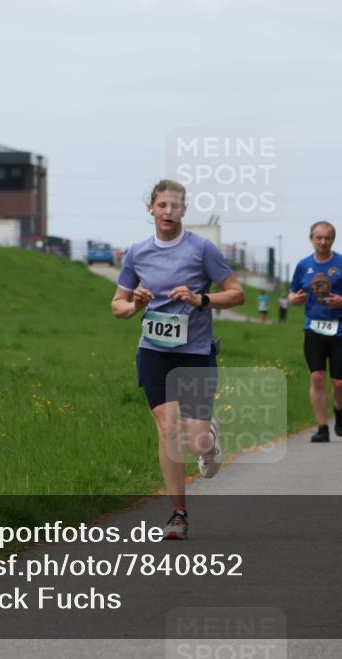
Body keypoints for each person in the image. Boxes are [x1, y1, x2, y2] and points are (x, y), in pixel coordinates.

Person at [111, 179, 245, 540]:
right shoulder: (137, 253)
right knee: (168, 426)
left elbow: (236, 294)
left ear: (184, 210)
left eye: (175, 206)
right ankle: (178, 514)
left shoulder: (202, 249)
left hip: (195, 352)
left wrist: (202, 299)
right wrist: (135, 304)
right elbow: (117, 305)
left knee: (195, 441)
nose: (168, 211)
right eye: (162, 205)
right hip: (154, 350)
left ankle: (208, 440)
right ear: (151, 209)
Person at [289, 222, 342, 443]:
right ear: (311, 238)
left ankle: (339, 409)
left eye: (327, 238)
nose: (323, 242)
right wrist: (295, 299)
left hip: (341, 329)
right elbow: (292, 294)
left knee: (339, 383)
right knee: (317, 377)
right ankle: (322, 427)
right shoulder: (303, 265)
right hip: (314, 327)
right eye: (318, 238)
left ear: (333, 239)